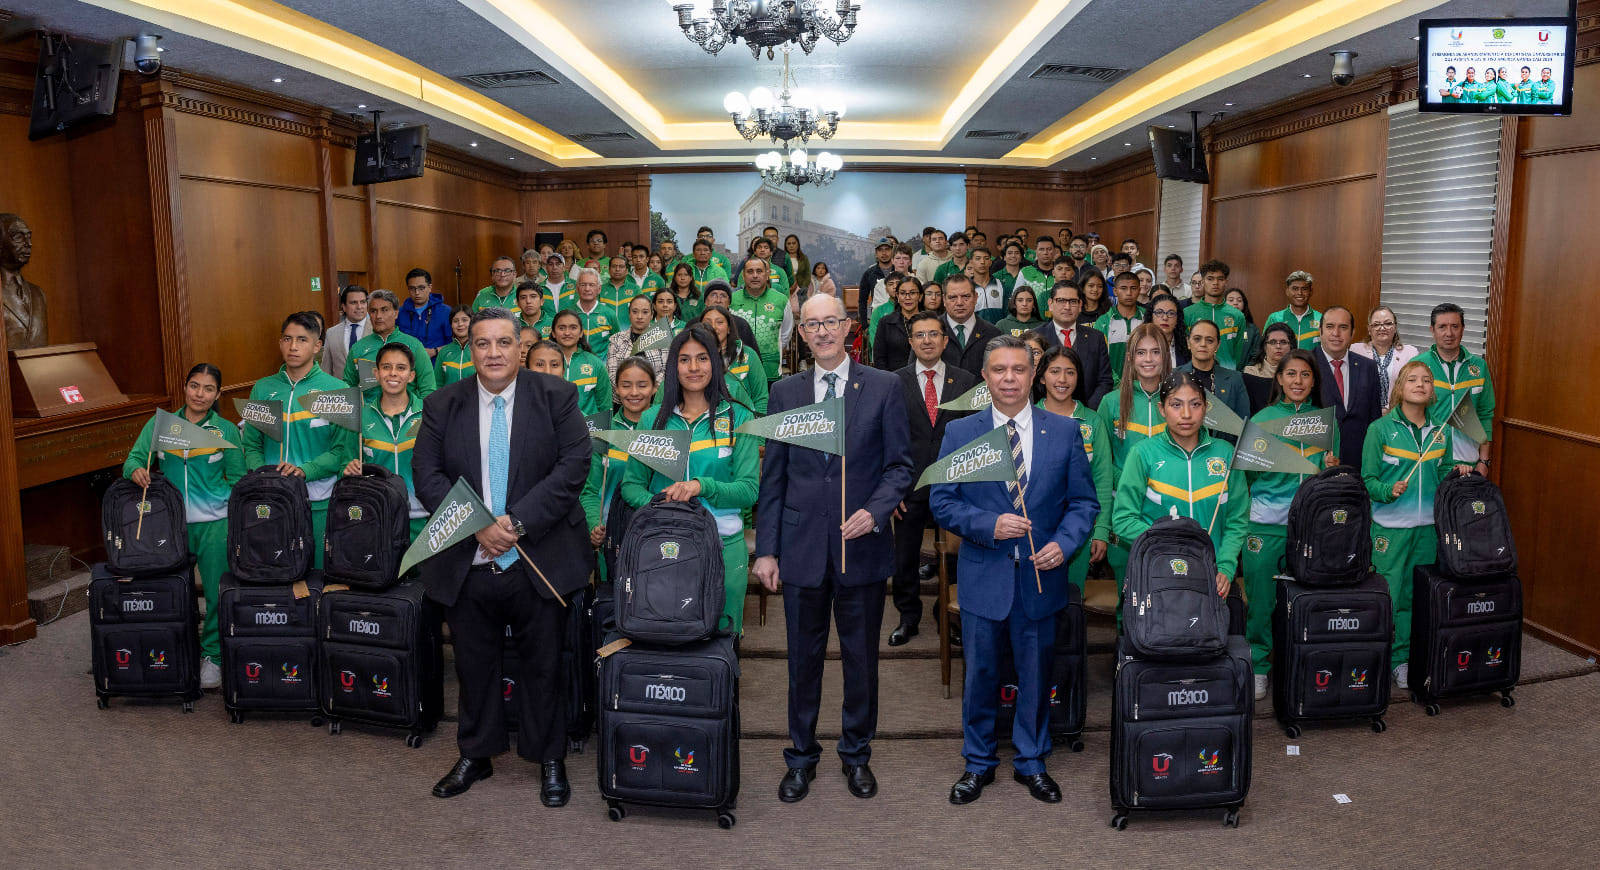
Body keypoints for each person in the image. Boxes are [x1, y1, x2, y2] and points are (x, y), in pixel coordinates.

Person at [412, 308, 590, 804]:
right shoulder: (442, 403)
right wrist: (479, 527)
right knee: (473, 664)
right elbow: (426, 474)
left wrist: (513, 524)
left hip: (539, 557)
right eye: (483, 344)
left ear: (521, 348)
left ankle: (549, 756)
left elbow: (573, 467)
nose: (493, 353)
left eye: (503, 343)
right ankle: (477, 753)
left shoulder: (557, 396)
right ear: (470, 350)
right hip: (467, 561)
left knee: (543, 665)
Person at [753, 293, 913, 804]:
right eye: (811, 324)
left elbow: (900, 468)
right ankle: (800, 758)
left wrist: (878, 509)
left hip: (859, 546)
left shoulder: (885, 388)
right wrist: (767, 549)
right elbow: (773, 478)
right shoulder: (785, 392)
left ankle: (856, 754)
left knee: (861, 660)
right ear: (801, 333)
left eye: (830, 322)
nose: (821, 332)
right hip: (800, 550)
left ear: (848, 327)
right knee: (802, 661)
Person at [931, 335, 1097, 806]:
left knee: (1037, 674)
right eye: (999, 370)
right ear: (985, 377)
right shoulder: (962, 435)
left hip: (1041, 580)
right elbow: (943, 503)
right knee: (980, 674)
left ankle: (1031, 759)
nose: (1009, 378)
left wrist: (1064, 546)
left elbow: (1083, 503)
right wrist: (989, 524)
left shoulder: (1064, 432)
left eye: (1018, 370)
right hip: (985, 577)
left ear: (1035, 375)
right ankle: (978, 762)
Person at [621, 326, 760, 633]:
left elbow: (749, 491)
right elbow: (631, 487)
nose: (694, 368)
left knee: (722, 647)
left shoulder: (739, 418)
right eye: (684, 360)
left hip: (724, 548)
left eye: (702, 358)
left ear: (715, 362)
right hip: (663, 548)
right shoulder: (652, 419)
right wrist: (663, 504)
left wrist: (701, 487)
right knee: (669, 645)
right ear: (674, 366)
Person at [123, 362, 244, 690]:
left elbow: (237, 481)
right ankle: (176, 649)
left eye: (208, 389)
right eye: (194, 386)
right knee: (173, 591)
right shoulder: (162, 424)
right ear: (185, 387)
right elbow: (133, 460)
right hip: (170, 526)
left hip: (215, 524)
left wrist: (227, 514)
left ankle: (213, 657)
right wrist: (136, 470)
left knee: (218, 594)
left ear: (218, 394)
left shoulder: (226, 432)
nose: (199, 394)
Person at [1362, 359, 1476, 692]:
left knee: (1415, 599)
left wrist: (1457, 472)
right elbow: (1367, 479)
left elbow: (1442, 476)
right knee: (1388, 597)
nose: (1421, 384)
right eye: (1412, 379)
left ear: (1432, 391)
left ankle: (1401, 661)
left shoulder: (1441, 430)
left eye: (1427, 380)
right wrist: (1386, 490)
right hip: (1388, 529)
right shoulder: (1380, 429)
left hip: (1428, 529)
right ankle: (1374, 658)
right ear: (1399, 388)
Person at [1240, 350, 1338, 699]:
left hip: (1312, 527)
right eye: (1291, 374)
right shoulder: (1263, 419)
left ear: (1315, 381)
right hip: (1266, 524)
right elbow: (1247, 476)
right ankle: (1260, 666)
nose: (1298, 381)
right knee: (1263, 601)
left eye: (1305, 375)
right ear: (1278, 379)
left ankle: (1303, 664)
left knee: (1308, 600)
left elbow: (1331, 473)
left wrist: (1330, 465)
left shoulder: (1325, 421)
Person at [1112, 370, 1246, 602]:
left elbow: (1237, 520)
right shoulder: (1143, 454)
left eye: (1195, 404)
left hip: (1212, 579)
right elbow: (1123, 520)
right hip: (1158, 577)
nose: (1186, 414)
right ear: (1162, 410)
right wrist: (1166, 545)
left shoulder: (1226, 454)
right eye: (1176, 405)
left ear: (1206, 408)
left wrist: (1225, 567)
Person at [888, 312, 980, 645]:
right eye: (919, 335)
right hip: (908, 485)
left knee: (956, 554)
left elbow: (975, 436)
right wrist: (891, 489)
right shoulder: (893, 382)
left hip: (955, 485)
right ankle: (907, 616)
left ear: (945, 340)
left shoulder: (966, 380)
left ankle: (948, 613)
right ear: (910, 341)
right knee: (905, 556)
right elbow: (887, 438)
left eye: (933, 334)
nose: (927, 340)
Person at [241, 312, 352, 570]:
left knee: (319, 575)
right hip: (272, 500)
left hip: (319, 503)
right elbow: (252, 444)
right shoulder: (262, 388)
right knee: (276, 573)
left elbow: (340, 451)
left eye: (302, 339)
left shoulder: (337, 389)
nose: (293, 346)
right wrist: (265, 477)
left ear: (317, 346)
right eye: (287, 339)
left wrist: (304, 470)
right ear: (280, 343)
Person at [1097, 325, 1174, 589]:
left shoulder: (1181, 400)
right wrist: (1133, 481)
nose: (1148, 359)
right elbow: (1102, 464)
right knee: (1127, 596)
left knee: (1168, 595)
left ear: (1166, 356)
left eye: (1155, 352)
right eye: (1141, 352)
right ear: (1130, 358)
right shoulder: (1110, 402)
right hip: (1126, 512)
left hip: (1169, 511)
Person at [1036, 345, 1112, 596]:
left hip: (1081, 531)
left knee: (1072, 601)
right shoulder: (1028, 417)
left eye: (1070, 372)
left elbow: (1102, 480)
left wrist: (1100, 530)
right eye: (1055, 371)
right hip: (1037, 529)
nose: (1062, 379)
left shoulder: (1093, 421)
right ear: (1041, 376)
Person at [581, 356, 657, 581]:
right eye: (626, 385)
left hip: (658, 530)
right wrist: (595, 524)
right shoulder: (603, 431)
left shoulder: (667, 428)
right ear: (616, 389)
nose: (634, 392)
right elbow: (589, 490)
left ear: (654, 388)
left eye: (642, 385)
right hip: (613, 536)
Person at [345, 342, 428, 540]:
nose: (393, 373)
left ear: (411, 376)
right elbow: (345, 462)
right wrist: (349, 469)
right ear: (376, 373)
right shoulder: (360, 417)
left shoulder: (429, 414)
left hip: (423, 518)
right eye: (386, 367)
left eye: (401, 368)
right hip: (378, 517)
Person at [1416, 302, 1494, 472]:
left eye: (1455, 326)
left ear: (1463, 329)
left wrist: (1484, 460)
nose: (1449, 333)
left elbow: (1485, 414)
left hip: (1467, 462)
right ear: (1432, 330)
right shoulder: (1418, 366)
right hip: (1428, 460)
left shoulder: (1479, 367)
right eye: (1442, 327)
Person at [1313, 306, 1382, 468]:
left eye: (1343, 327)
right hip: (1319, 464)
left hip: (1359, 462)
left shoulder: (1368, 367)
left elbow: (1375, 419)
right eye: (1330, 327)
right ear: (1320, 331)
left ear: (1352, 332)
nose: (1336, 333)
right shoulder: (1306, 365)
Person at [1031, 281, 1113, 410]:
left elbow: (1105, 381)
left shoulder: (1096, 338)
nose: (1067, 307)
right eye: (1061, 300)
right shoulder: (1035, 337)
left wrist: (1086, 411)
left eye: (1073, 301)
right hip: (1045, 414)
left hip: (1087, 414)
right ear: (1050, 304)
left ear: (1080, 305)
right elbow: (1030, 380)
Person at [344, 290, 437, 399]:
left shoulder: (414, 345)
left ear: (396, 313)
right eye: (373, 311)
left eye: (384, 310)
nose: (378, 316)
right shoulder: (358, 348)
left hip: (406, 413)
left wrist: (416, 414)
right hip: (369, 413)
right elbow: (348, 387)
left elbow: (428, 389)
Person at [1180, 319, 1250, 430]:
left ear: (1217, 345)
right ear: (1188, 343)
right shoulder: (1174, 376)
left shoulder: (1234, 379)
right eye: (1197, 339)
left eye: (1210, 340)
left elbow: (1242, 425)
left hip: (1223, 445)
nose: (1203, 344)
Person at [699, 304, 768, 413]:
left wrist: (757, 424)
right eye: (707, 323)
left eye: (719, 322)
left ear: (729, 328)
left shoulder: (749, 355)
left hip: (743, 422)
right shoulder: (693, 359)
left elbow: (761, 398)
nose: (713, 327)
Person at [1351, 305, 1419, 413]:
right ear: (1369, 329)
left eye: (1387, 323)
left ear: (1395, 327)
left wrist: (1390, 410)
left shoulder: (1410, 353)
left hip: (1398, 414)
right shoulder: (1356, 351)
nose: (1382, 328)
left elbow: (1414, 389)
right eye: (1376, 324)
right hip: (1363, 414)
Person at [731, 257, 788, 384]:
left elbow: (785, 334)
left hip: (770, 371)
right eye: (750, 271)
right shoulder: (731, 300)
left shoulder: (781, 300)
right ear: (743, 276)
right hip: (738, 370)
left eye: (759, 271)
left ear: (767, 275)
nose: (755, 276)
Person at [1184, 260, 1248, 368]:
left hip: (1228, 375)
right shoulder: (1188, 313)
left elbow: (1238, 353)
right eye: (1210, 278)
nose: (1215, 283)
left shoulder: (1237, 315)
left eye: (1220, 279)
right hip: (1195, 375)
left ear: (1226, 282)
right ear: (1203, 282)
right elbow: (1185, 350)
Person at [547, 309, 610, 416]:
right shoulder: (543, 362)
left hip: (588, 429)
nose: (567, 333)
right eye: (561, 328)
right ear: (553, 333)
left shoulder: (595, 363)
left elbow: (605, 406)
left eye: (573, 328)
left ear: (581, 333)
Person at [940, 274, 1002, 376]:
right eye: (953, 297)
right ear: (944, 300)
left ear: (976, 297)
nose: (959, 302)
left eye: (966, 296)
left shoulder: (993, 334)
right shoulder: (930, 331)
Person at [1094, 272, 1144, 384]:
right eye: (1123, 288)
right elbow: (1098, 358)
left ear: (1139, 290)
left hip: (1142, 385)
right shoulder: (1103, 321)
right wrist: (1117, 383)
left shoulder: (1147, 318)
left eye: (1133, 288)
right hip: (1111, 386)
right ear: (1115, 291)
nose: (1129, 293)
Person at [607, 294, 667, 383]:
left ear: (651, 315)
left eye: (645, 312)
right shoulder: (616, 340)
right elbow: (611, 373)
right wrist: (627, 389)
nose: (639, 316)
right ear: (629, 314)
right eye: (635, 312)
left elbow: (667, 370)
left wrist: (652, 388)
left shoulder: (662, 338)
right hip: (623, 395)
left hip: (655, 394)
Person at [873, 273, 926, 373]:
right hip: (894, 379)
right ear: (897, 296)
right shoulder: (886, 322)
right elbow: (879, 359)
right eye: (902, 293)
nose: (907, 297)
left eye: (912, 293)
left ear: (920, 296)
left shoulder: (930, 321)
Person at [561, 267, 618, 358]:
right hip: (575, 365)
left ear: (599, 289)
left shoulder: (609, 314)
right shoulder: (567, 314)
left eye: (591, 285)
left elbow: (618, 343)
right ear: (577, 288)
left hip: (602, 367)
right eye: (583, 284)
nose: (587, 289)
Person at [1243, 322, 1295, 414]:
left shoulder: (1298, 373)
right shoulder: (1251, 372)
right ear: (1264, 346)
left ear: (1291, 346)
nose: (1278, 346)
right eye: (1273, 342)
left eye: (1283, 342)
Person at [399, 269, 452, 358]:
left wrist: (434, 351)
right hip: (408, 366)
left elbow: (455, 344)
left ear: (430, 287)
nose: (417, 293)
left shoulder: (445, 312)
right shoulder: (399, 313)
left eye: (421, 288)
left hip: (436, 366)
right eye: (412, 288)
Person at [1262, 271, 1320, 351]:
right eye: (1295, 289)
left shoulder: (1321, 318)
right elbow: (1264, 348)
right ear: (1287, 291)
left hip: (1312, 363)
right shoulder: (1275, 318)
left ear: (1311, 292)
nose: (1300, 293)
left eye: (1304, 289)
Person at [323, 285, 370, 376]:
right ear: (344, 307)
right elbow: (326, 369)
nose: (359, 307)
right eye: (353, 303)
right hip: (341, 388)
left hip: (371, 389)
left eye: (363, 302)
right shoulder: (332, 333)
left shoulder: (377, 330)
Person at [704, 280, 759, 353]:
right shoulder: (695, 323)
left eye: (723, 296)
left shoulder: (741, 324)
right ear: (706, 301)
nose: (718, 300)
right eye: (713, 295)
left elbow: (752, 356)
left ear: (729, 302)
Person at [857, 238, 896, 327]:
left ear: (892, 251)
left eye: (887, 249)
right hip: (877, 319)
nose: (884, 253)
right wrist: (864, 326)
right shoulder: (869, 274)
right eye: (880, 250)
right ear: (876, 253)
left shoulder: (899, 271)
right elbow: (862, 301)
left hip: (898, 318)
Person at [434, 306, 476, 387]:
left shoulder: (480, 349)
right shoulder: (444, 351)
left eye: (464, 320)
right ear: (451, 325)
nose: (460, 324)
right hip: (449, 399)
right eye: (455, 321)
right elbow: (437, 383)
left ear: (473, 323)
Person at [965, 248, 1008, 323]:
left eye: (986, 258)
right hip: (975, 332)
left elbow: (1007, 312)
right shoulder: (966, 287)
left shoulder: (1000, 284)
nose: (982, 262)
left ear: (990, 262)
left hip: (999, 332)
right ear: (971, 262)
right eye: (978, 259)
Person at [1148, 293, 1190, 369]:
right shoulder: (1140, 343)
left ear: (1178, 319)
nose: (1165, 318)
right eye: (1159, 312)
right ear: (1151, 317)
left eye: (1171, 313)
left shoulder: (1187, 346)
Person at [1227, 288, 1262, 370]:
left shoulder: (1252, 329)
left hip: (1244, 375)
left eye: (1239, 300)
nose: (1235, 303)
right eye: (1231, 300)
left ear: (1244, 304)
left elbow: (1256, 354)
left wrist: (1246, 371)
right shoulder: (1217, 325)